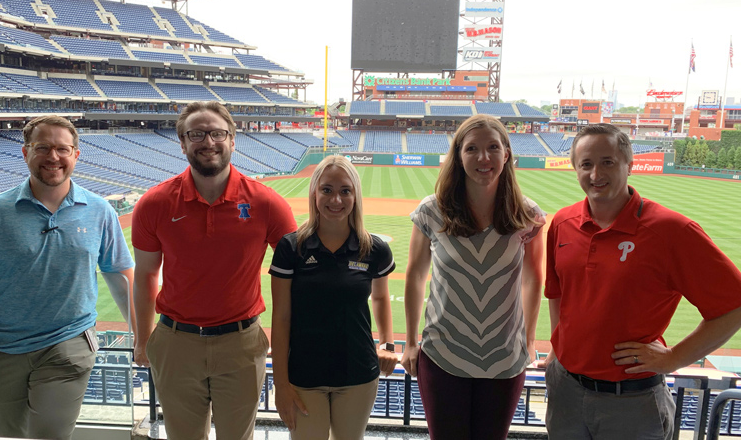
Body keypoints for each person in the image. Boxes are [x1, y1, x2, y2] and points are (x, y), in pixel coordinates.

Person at [544, 123, 741, 439]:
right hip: (566, 391)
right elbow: (556, 292)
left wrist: (674, 358)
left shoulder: (671, 230)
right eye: (586, 164)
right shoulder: (563, 223)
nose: (596, 174)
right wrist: (557, 348)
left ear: (629, 164)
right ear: (575, 169)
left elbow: (734, 304)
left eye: (607, 161)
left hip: (632, 403)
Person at [0, 115, 135, 439]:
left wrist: (144, 336)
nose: (53, 157)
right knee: (5, 436)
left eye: (63, 149)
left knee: (50, 434)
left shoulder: (100, 210)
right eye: (43, 147)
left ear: (76, 155)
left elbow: (119, 274)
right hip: (0, 350)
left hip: (68, 344)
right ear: (25, 153)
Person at [132, 100, 296, 440]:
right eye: (197, 134)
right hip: (176, 341)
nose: (208, 142)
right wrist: (142, 339)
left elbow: (297, 276)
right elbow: (146, 274)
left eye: (217, 133)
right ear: (182, 142)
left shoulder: (266, 203)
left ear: (233, 140)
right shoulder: (155, 203)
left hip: (241, 342)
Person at [402, 114, 545, 440]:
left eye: (493, 147)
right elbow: (415, 275)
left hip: (504, 359)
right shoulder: (431, 211)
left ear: (506, 153)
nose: (483, 158)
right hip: (443, 356)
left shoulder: (528, 215)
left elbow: (533, 278)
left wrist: (530, 339)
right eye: (472, 149)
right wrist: (410, 342)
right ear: (459, 155)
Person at [269, 155, 399, 439]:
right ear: (314, 192)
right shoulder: (291, 247)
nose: (336, 200)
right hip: (304, 374)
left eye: (345, 190)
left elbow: (380, 298)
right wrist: (281, 383)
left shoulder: (374, 248)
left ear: (355, 196)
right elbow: (281, 317)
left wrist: (387, 343)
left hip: (358, 372)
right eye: (327, 189)